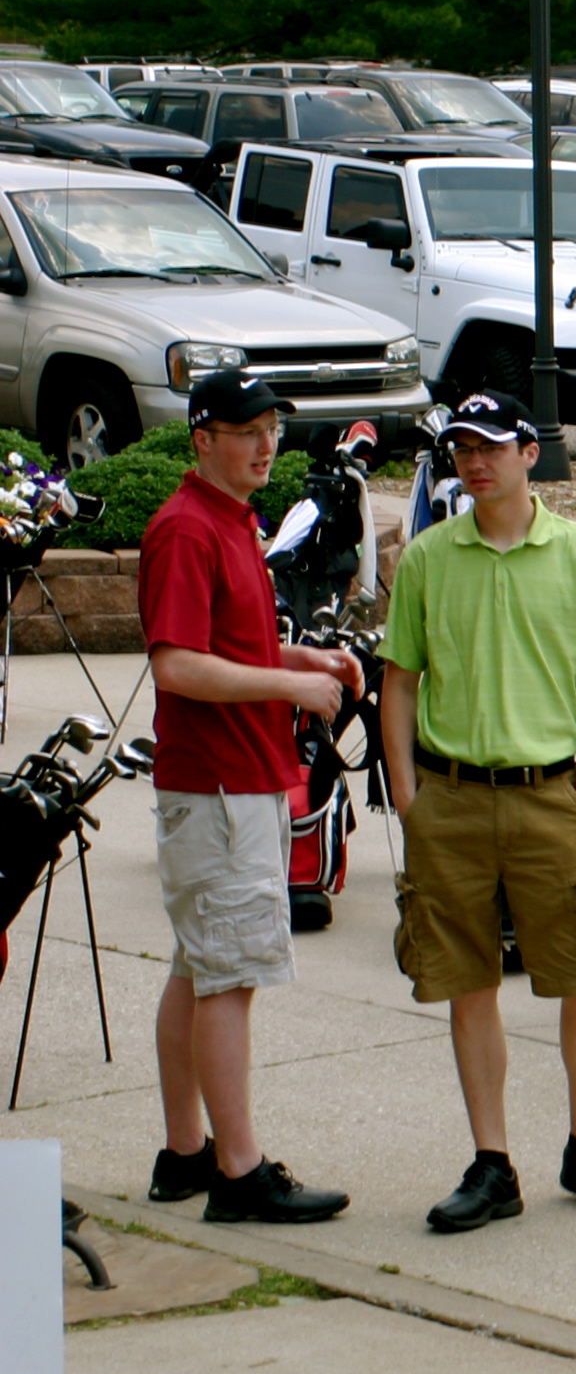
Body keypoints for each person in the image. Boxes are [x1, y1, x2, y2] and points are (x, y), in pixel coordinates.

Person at [376, 394, 576, 1234]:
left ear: (528, 453)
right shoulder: (430, 558)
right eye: (462, 450)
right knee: (466, 982)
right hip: (450, 800)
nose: (475, 463)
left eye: (491, 448)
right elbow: (399, 682)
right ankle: (492, 1163)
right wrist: (406, 796)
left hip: (550, 797)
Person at [137, 373, 353, 1224]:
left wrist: (305, 660)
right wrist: (289, 686)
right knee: (228, 978)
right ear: (202, 439)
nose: (266, 446)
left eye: (272, 429)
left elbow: (232, 645)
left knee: (199, 966)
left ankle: (184, 1152)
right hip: (219, 789)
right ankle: (239, 1171)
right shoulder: (185, 529)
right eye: (246, 431)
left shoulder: (232, 520)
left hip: (233, 781)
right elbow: (176, 665)